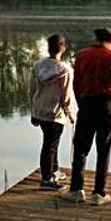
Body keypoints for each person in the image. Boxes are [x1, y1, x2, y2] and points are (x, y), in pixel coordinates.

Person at [63, 28, 111, 205]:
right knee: (104, 148)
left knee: (80, 147)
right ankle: (99, 193)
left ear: (95, 38)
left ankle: (77, 190)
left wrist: (81, 102)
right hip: (106, 106)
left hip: (87, 103)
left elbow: (77, 83)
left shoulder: (81, 56)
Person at [30, 34, 77, 191]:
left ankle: (54, 171)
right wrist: (71, 115)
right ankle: (46, 179)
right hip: (55, 113)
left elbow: (32, 90)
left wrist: (33, 112)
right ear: (63, 48)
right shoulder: (65, 70)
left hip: (40, 111)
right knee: (50, 145)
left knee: (50, 142)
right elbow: (66, 96)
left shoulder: (38, 66)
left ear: (49, 48)